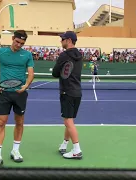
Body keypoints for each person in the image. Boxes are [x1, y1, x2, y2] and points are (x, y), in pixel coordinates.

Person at [0, 30, 34, 167]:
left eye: (22, 43)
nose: (19, 45)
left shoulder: (27, 55)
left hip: (20, 93)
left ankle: (15, 151)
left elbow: (31, 73)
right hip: (4, 93)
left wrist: (26, 85)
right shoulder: (0, 52)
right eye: (17, 41)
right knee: (1, 122)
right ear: (13, 39)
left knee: (19, 122)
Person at [52, 31, 83, 160]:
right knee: (69, 119)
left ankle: (77, 150)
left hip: (67, 92)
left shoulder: (64, 55)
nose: (61, 41)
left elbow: (55, 73)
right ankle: (64, 145)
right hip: (77, 92)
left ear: (69, 40)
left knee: (67, 120)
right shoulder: (80, 55)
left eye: (62, 39)